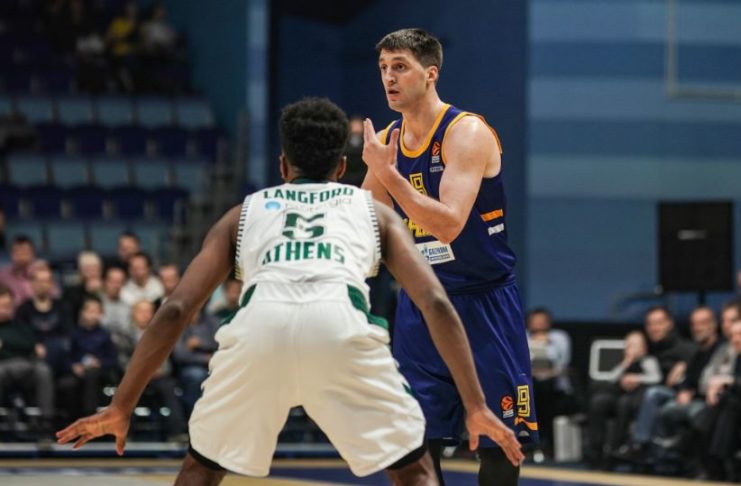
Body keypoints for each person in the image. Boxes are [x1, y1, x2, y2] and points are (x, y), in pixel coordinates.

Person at [56, 98, 523, 485]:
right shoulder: (372, 211)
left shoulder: (244, 212)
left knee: (202, 467)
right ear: (343, 166)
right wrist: (475, 405)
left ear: (282, 165)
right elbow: (435, 301)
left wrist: (121, 405)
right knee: (414, 471)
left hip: (258, 333)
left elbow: (176, 308)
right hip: (340, 330)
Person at [361, 28, 535, 485]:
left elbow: (449, 224)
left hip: (483, 302)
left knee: (499, 446)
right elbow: (363, 221)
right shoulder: (389, 139)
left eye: (400, 67)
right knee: (417, 444)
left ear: (430, 73)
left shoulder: (466, 132)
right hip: (421, 305)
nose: (389, 78)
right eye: (383, 68)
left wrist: (388, 175)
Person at [586, 331, 661, 468]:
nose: (630, 349)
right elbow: (610, 380)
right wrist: (625, 364)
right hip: (619, 395)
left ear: (644, 348)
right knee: (598, 402)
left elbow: (656, 378)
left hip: (637, 399)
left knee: (624, 404)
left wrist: (637, 379)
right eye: (628, 345)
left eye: (635, 345)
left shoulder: (648, 361)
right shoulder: (624, 363)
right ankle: (596, 448)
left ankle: (615, 449)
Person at [526, 307, 574, 456]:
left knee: (544, 388)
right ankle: (530, 443)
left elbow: (564, 364)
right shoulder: (522, 337)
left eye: (542, 321)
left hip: (555, 386)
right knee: (534, 389)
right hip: (529, 385)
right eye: (536, 321)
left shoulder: (559, 337)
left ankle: (546, 443)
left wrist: (548, 345)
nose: (539, 324)